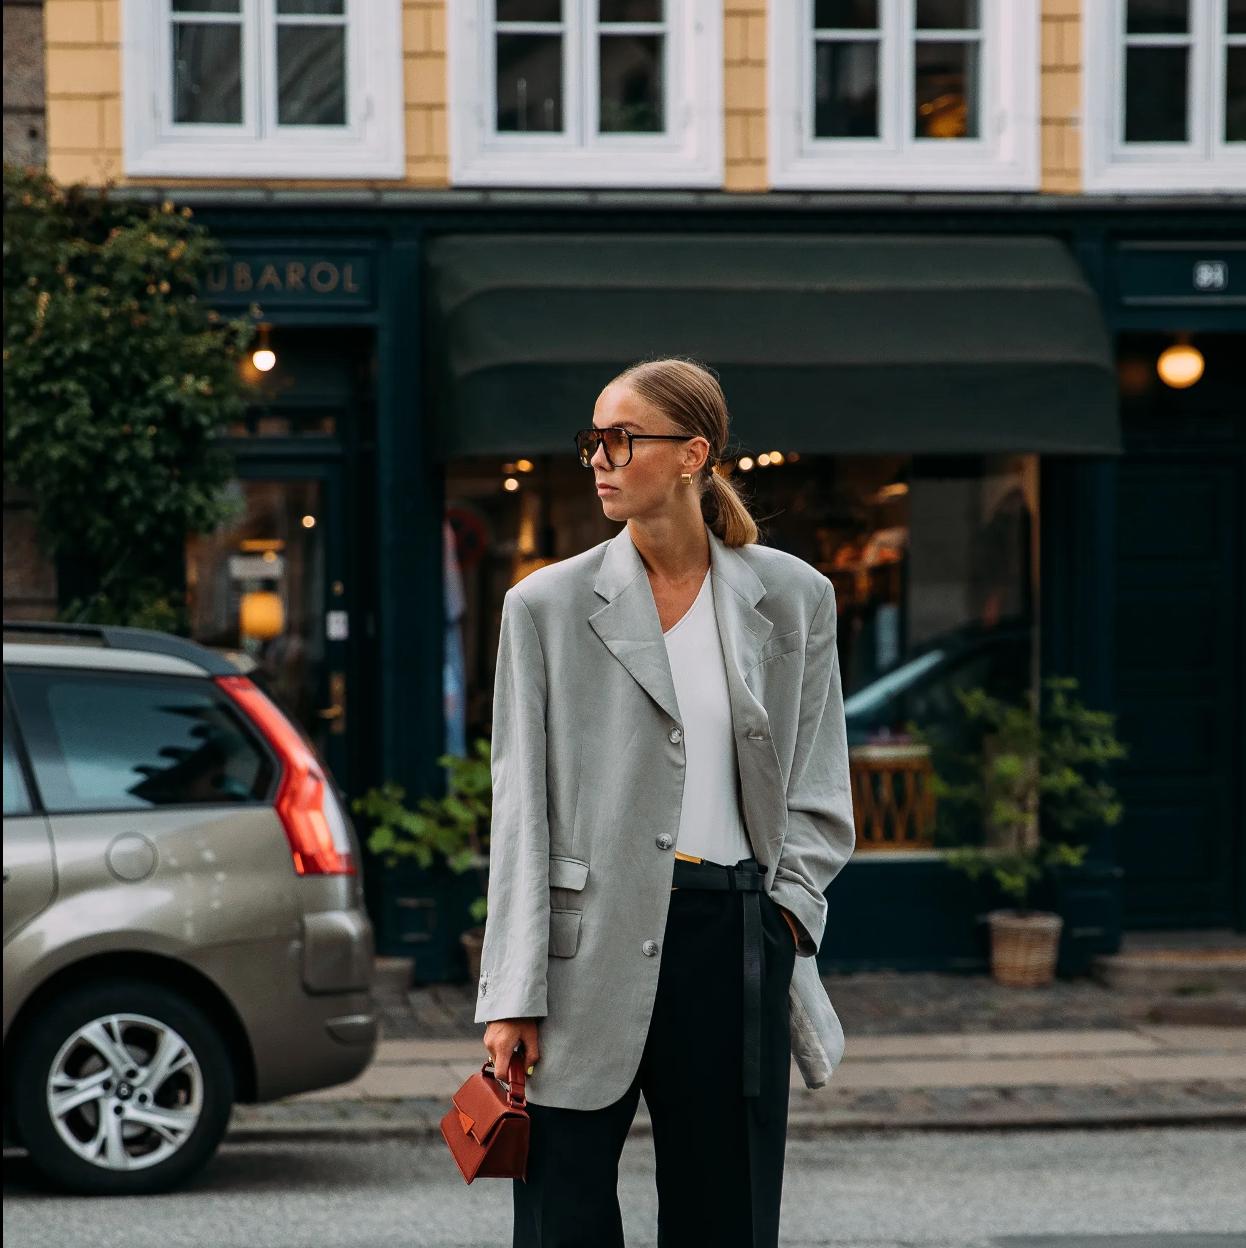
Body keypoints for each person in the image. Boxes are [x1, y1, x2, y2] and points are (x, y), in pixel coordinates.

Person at [476, 357, 857, 1247]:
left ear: (694, 454)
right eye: (592, 441)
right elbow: (519, 812)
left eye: (623, 438)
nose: (600, 458)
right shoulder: (546, 605)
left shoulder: (794, 596)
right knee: (561, 1220)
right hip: (582, 953)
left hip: (736, 942)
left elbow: (819, 784)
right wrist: (511, 989)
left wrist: (787, 916)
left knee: (725, 1219)